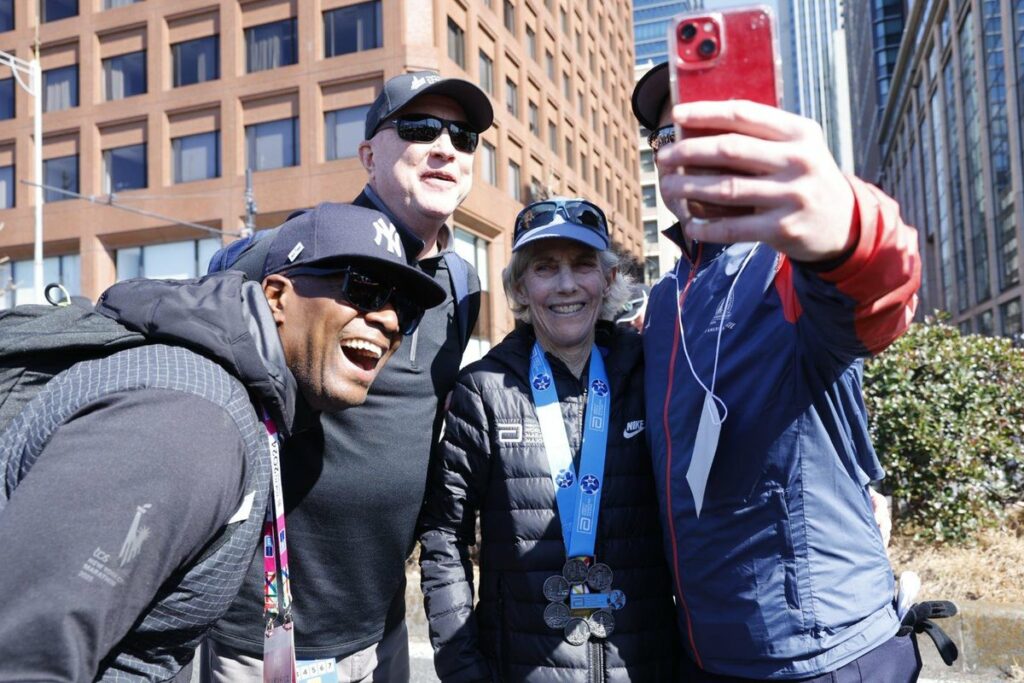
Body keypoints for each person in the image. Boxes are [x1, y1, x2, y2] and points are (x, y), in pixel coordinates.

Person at [0, 203, 445, 681]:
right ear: (276, 296)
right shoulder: (191, 419)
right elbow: (25, 655)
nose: (390, 321)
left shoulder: (242, 402)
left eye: (404, 309)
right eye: (364, 289)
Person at [631, 62, 922, 681]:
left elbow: (875, 291)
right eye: (668, 137)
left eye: (706, 130)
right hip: (705, 653)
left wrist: (846, 227)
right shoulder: (662, 302)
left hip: (825, 654)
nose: (684, 150)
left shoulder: (792, 263)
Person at [204, 71, 493, 682]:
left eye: (462, 136)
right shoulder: (294, 252)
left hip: (381, 626)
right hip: (266, 631)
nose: (445, 147)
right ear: (368, 156)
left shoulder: (464, 285)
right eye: (419, 129)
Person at [418, 198, 680, 682]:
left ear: (608, 278)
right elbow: (443, 535)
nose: (566, 285)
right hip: (520, 667)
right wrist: (463, 667)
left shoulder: (651, 372)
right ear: (520, 286)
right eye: (544, 268)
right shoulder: (484, 390)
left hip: (646, 664)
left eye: (583, 265)